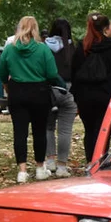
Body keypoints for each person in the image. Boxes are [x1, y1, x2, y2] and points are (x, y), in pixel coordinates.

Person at [0, 16, 66, 183]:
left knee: (19, 132)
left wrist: (7, 86)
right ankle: (39, 168)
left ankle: (22, 171)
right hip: (39, 92)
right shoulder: (42, 49)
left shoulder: (10, 49)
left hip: (17, 92)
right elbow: (52, 73)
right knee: (39, 131)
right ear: (35, 29)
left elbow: (2, 72)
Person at [71, 12, 111, 163]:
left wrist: (76, 95)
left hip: (85, 97)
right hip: (108, 97)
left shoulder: (82, 47)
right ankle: (99, 162)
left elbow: (74, 73)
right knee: (104, 131)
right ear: (106, 29)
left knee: (90, 130)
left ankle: (90, 162)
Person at [44, 18, 77, 177]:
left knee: (48, 127)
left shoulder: (44, 47)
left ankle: (50, 160)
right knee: (65, 130)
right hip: (68, 91)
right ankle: (62, 166)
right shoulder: (72, 48)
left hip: (48, 91)